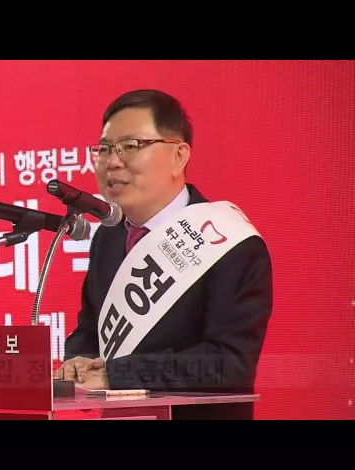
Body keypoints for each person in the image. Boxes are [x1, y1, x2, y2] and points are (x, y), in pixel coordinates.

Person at [54, 89, 273, 420]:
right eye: (104, 149)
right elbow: (90, 329)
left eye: (130, 146)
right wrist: (76, 362)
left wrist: (117, 375)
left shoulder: (230, 242)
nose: (112, 162)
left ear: (179, 156)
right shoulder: (108, 237)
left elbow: (231, 362)